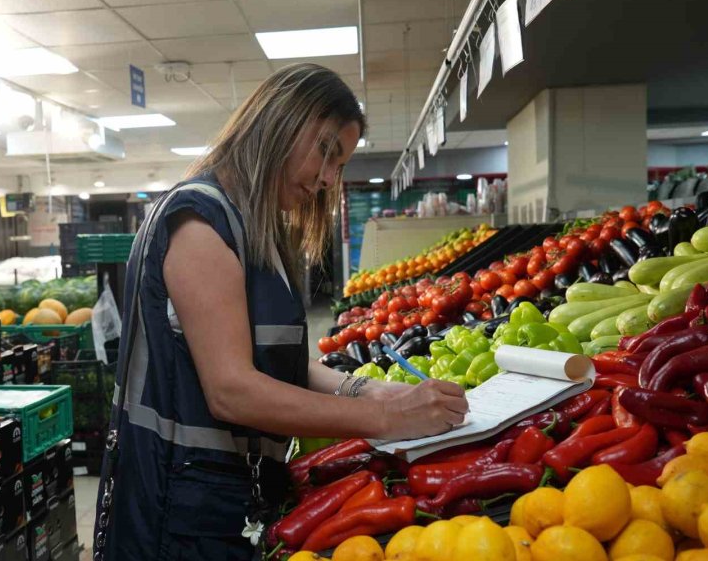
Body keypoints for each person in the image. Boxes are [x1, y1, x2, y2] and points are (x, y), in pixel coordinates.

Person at [93, 64, 468, 561]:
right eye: (327, 153)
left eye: (340, 165)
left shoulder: (254, 228)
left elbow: (269, 362)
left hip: (219, 499)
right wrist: (383, 417)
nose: (329, 178)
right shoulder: (201, 224)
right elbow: (232, 390)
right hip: (177, 513)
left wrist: (369, 387)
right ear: (281, 122)